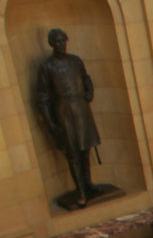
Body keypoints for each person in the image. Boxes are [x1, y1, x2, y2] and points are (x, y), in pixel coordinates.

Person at [35, 28, 103, 207]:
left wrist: (89, 92)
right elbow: (42, 97)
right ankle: (80, 189)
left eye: (63, 40)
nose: (61, 44)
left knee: (85, 148)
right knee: (72, 152)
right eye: (57, 41)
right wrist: (50, 123)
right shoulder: (47, 66)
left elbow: (86, 78)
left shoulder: (75, 61)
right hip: (63, 111)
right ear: (51, 44)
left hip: (80, 108)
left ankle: (88, 183)